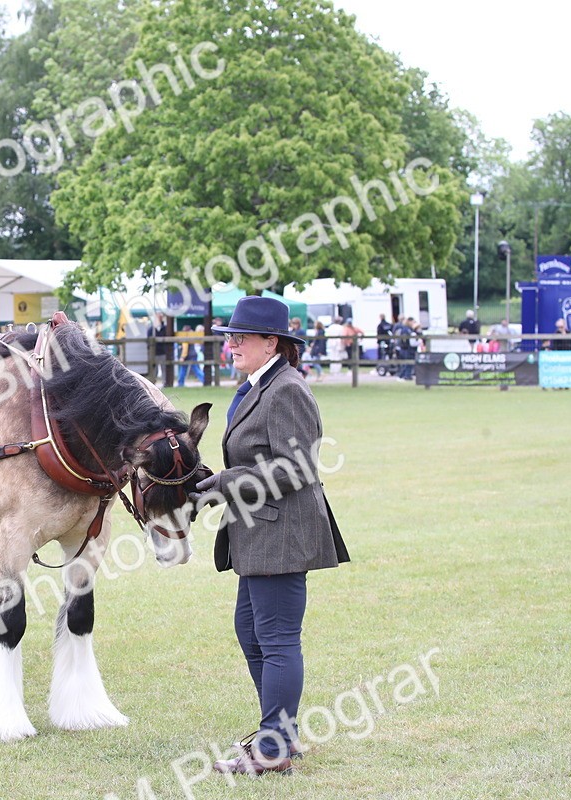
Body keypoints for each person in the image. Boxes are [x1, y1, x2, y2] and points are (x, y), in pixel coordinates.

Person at [192, 296, 348, 777]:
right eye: (229, 336)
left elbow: (296, 467)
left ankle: (274, 748)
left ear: (271, 343)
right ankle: (280, 736)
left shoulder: (286, 390)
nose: (231, 344)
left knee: (277, 639)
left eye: (241, 337)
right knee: (251, 630)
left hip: (282, 531)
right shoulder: (259, 384)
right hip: (258, 531)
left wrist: (224, 484)